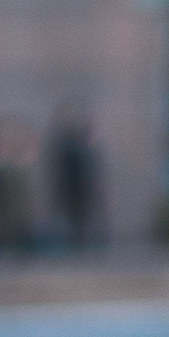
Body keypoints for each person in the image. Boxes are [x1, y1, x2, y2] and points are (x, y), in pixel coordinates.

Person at [48, 107, 105, 250]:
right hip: (73, 189)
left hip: (80, 189)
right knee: (74, 217)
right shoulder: (69, 148)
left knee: (82, 217)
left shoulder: (82, 149)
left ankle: (82, 241)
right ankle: (76, 241)